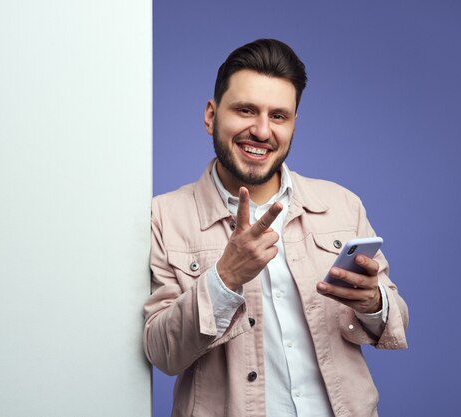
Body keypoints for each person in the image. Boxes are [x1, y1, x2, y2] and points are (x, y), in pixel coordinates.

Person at [143, 39, 409, 417]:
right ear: (210, 115)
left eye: (279, 116)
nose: (262, 131)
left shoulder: (341, 204)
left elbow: (395, 315)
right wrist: (225, 277)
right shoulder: (163, 217)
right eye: (246, 110)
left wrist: (375, 303)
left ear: (294, 124)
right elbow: (161, 351)